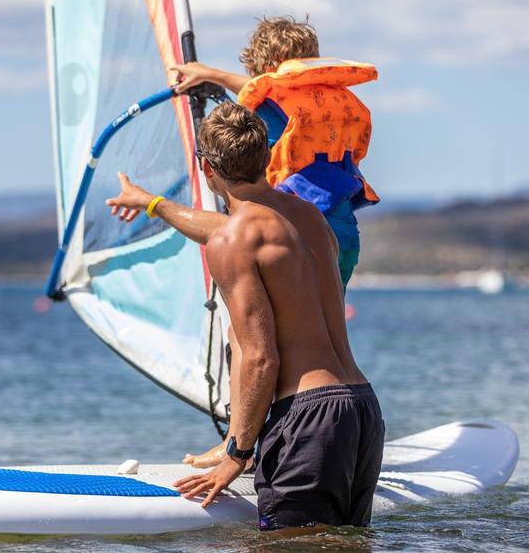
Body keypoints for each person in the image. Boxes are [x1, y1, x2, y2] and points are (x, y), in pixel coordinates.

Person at [106, 101, 384, 530]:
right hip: (361, 410)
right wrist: (152, 203)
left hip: (308, 418)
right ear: (267, 157)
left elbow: (260, 358)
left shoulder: (234, 241)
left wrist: (237, 453)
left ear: (206, 168)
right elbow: (238, 228)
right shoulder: (311, 218)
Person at [169, 16, 380, 468]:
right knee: (318, 335)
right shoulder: (332, 102)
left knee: (246, 338)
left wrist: (208, 76)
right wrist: (213, 75)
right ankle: (321, 433)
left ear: (265, 66)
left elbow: (253, 111)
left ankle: (238, 443)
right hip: (342, 235)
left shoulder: (272, 107)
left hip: (295, 235)